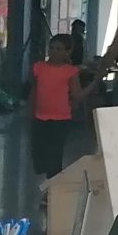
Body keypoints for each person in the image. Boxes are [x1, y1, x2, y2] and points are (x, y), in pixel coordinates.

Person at [23, 33, 86, 182]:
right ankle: (50, 182)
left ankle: (53, 189)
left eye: (59, 49)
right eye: (52, 48)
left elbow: (77, 94)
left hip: (61, 119)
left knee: (55, 156)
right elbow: (33, 91)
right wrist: (29, 111)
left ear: (67, 52)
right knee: (39, 154)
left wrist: (94, 84)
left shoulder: (70, 72)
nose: (54, 52)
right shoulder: (38, 68)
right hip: (40, 117)